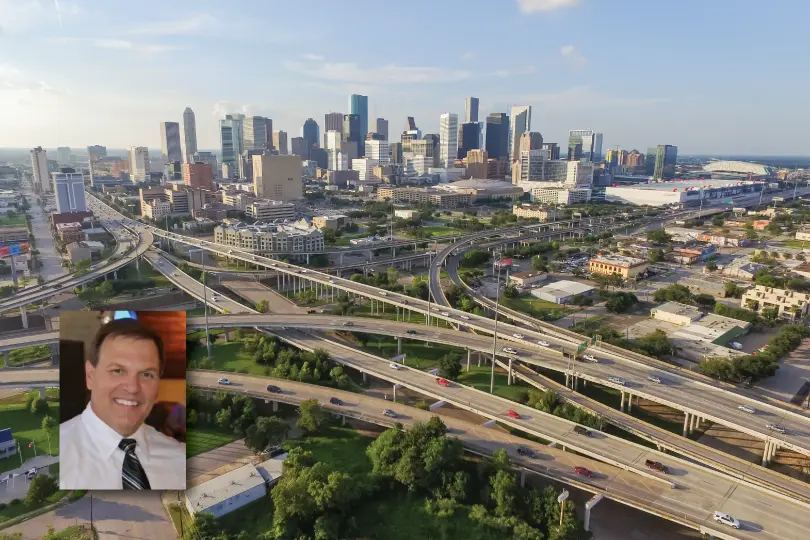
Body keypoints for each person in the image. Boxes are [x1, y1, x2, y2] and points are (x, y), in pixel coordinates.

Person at [59, 318, 186, 490]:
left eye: (147, 374)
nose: (133, 387)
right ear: (90, 376)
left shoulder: (181, 460)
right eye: (118, 371)